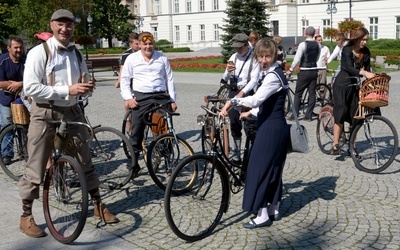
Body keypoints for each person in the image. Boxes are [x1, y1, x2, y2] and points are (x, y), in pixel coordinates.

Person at [20, 9, 119, 238]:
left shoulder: (77, 54)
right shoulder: (39, 52)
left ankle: (97, 205)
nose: (65, 29)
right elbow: (31, 88)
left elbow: (81, 84)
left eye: (70, 25)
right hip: (44, 113)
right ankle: (26, 216)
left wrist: (86, 88)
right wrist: (68, 90)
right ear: (52, 25)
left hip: (72, 112)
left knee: (86, 160)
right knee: (35, 167)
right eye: (61, 24)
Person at [220, 38, 290, 228]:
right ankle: (274, 208)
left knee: (258, 169)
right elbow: (270, 103)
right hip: (275, 125)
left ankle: (262, 215)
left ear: (274, 55)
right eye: (260, 56)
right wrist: (251, 112)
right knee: (273, 169)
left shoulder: (273, 76)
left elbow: (257, 99)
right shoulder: (273, 73)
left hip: (271, 128)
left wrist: (233, 102)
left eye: (267, 56)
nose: (263, 60)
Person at [120, 31, 177, 175]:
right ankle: (134, 164)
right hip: (141, 97)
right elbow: (125, 80)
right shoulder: (132, 59)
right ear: (139, 44)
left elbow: (169, 79)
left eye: (150, 43)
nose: (148, 46)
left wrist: (172, 99)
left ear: (154, 44)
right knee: (136, 130)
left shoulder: (162, 58)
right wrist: (129, 98)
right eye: (145, 44)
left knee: (164, 128)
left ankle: (167, 160)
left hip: (160, 96)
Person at [330, 27, 375, 155]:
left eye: (366, 40)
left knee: (355, 116)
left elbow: (368, 68)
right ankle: (335, 144)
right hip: (342, 85)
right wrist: (363, 72)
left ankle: (352, 146)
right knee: (341, 112)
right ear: (357, 38)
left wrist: (371, 77)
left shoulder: (366, 52)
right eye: (363, 39)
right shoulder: (347, 50)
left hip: (354, 85)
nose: (365, 42)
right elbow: (348, 68)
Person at [222, 33, 259, 163]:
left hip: (247, 92)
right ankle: (237, 154)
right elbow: (224, 78)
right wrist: (228, 70)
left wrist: (242, 92)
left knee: (249, 124)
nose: (237, 50)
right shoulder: (234, 57)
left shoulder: (253, 58)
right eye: (236, 48)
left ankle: (251, 153)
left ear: (246, 45)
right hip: (233, 91)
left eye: (240, 47)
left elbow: (254, 80)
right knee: (234, 123)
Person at [0, 36, 25, 165]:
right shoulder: (2, 61)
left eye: (20, 47)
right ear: (8, 48)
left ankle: (24, 150)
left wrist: (20, 84)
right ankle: (6, 153)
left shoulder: (26, 61)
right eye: (15, 47)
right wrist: (12, 84)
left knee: (24, 124)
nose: (18, 50)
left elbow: (33, 79)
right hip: (5, 98)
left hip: (22, 98)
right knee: (7, 125)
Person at [286, 26, 320, 121]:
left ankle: (295, 115)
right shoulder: (318, 45)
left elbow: (297, 58)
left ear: (305, 33)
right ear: (314, 34)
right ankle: (308, 115)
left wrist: (291, 69)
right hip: (314, 70)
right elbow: (317, 57)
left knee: (298, 93)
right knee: (312, 93)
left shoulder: (303, 45)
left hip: (305, 70)